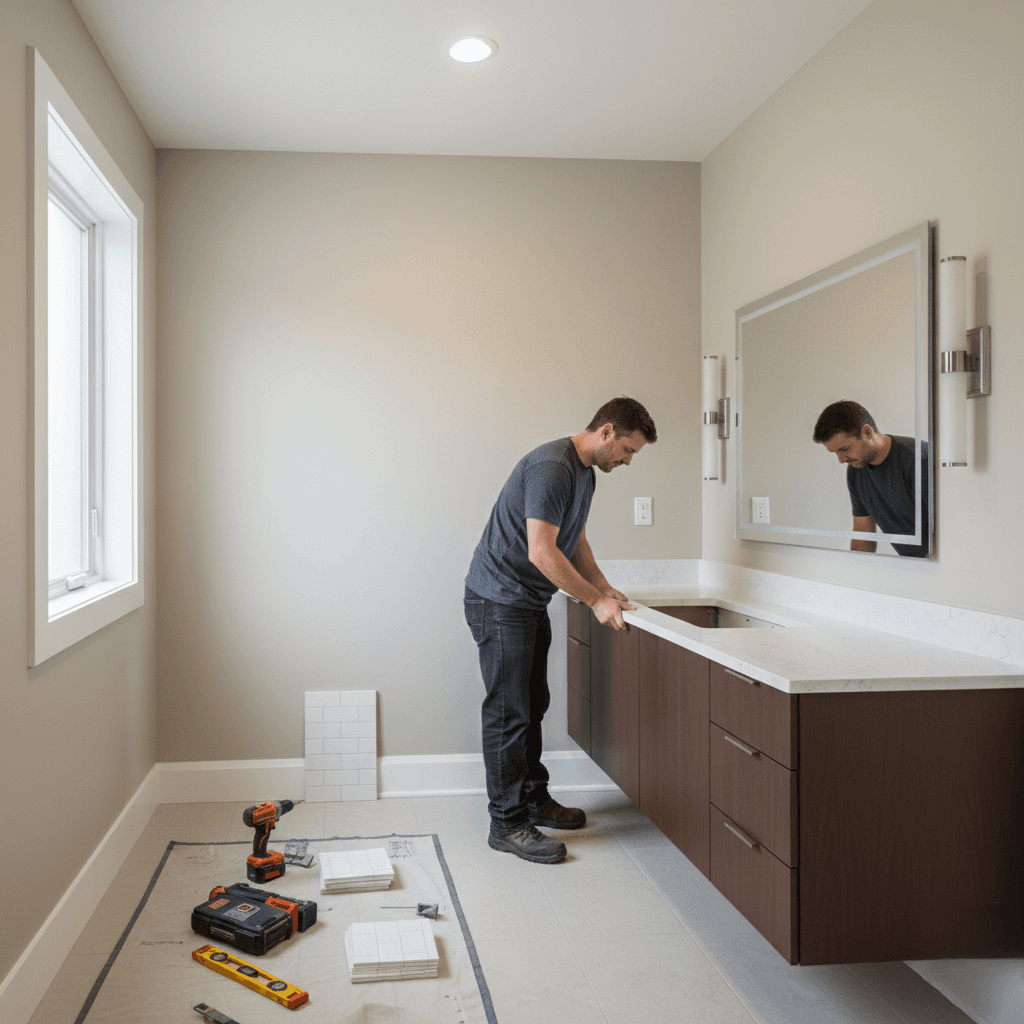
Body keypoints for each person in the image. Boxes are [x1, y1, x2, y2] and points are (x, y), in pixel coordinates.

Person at [464, 397, 657, 864]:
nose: (628, 461)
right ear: (607, 432)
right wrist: (594, 601)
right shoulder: (553, 466)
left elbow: (576, 540)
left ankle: (531, 799)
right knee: (510, 712)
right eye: (628, 450)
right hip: (499, 600)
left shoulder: (583, 472)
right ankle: (506, 823)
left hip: (525, 601)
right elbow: (542, 552)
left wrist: (605, 586)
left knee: (532, 704)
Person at [812, 400, 928, 558]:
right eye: (835, 453)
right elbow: (863, 532)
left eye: (844, 449)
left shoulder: (919, 459)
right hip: (915, 568)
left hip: (945, 569)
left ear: (867, 432)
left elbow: (951, 530)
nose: (840, 459)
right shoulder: (855, 472)